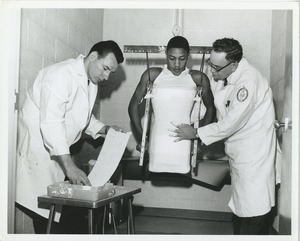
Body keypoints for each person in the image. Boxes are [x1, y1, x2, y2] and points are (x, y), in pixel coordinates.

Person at [169, 37, 277, 235]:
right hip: (239, 156)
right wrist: (191, 121)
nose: (212, 70)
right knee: (241, 211)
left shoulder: (248, 82)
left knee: (254, 214)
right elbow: (211, 107)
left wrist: (196, 133)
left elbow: (231, 122)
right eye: (210, 63)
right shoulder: (224, 75)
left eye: (216, 67)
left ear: (234, 64)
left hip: (254, 158)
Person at [15, 40, 124, 233]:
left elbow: (82, 118)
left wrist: (106, 130)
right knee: (46, 219)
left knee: (60, 218)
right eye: (105, 68)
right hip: (37, 153)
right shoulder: (60, 74)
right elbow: (52, 122)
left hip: (56, 155)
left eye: (111, 72)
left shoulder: (89, 81)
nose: (106, 76)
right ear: (93, 57)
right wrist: (70, 166)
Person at [128, 36, 215, 174]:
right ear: (166, 55)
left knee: (183, 169)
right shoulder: (153, 75)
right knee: (155, 169)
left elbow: (211, 108)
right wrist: (142, 137)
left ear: (188, 57)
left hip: (184, 142)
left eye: (182, 59)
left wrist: (199, 137)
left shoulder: (197, 78)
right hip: (158, 141)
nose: (176, 64)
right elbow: (132, 106)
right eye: (172, 58)